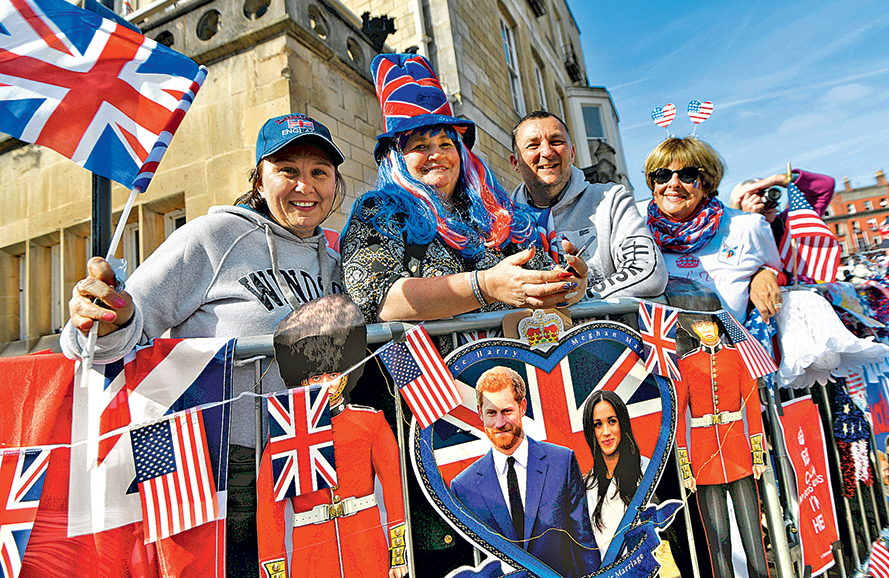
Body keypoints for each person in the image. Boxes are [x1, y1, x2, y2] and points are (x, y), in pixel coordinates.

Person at [60, 113, 347, 576]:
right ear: (259, 177)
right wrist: (103, 316)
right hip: (221, 464)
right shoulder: (212, 237)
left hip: (306, 456)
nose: (304, 185)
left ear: (335, 182)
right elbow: (122, 325)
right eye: (287, 170)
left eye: (318, 172)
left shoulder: (333, 263)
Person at [340, 55, 587, 354]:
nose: (438, 155)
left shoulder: (496, 211)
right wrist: (485, 286)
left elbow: (535, 278)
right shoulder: (377, 211)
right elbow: (382, 300)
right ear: (397, 157)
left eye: (446, 144)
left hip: (519, 377)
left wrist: (568, 285)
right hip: (439, 389)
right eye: (420, 146)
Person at [259, 295, 407, 578]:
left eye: (333, 374)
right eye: (316, 378)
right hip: (312, 553)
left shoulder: (370, 422)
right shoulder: (286, 434)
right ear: (303, 380)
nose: (327, 385)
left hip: (366, 543)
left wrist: (397, 553)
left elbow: (394, 489)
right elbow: (270, 513)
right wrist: (274, 571)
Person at [449, 366, 600, 578]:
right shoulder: (463, 487)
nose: (500, 423)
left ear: (522, 407)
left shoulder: (561, 462)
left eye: (507, 411)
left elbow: (583, 539)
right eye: (491, 413)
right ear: (480, 413)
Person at [509, 111, 667, 299]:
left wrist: (581, 298)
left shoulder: (611, 200)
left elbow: (649, 272)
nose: (547, 152)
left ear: (573, 153)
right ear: (515, 163)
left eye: (556, 142)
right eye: (533, 145)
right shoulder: (503, 220)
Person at [641, 137, 783, 322]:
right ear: (653, 183)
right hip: (657, 347)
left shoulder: (748, 226)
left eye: (687, 175)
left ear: (707, 182)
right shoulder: (636, 232)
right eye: (662, 175)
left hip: (730, 346)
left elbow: (780, 272)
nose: (674, 184)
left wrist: (765, 274)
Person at [675, 316, 769, 578]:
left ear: (718, 326)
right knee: (718, 542)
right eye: (700, 325)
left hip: (738, 450)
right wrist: (686, 467)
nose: (705, 329)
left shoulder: (739, 357)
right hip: (704, 457)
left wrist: (757, 455)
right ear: (693, 330)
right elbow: (682, 418)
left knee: (753, 536)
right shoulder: (686, 364)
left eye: (709, 324)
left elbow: (751, 405)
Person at [581, 390, 643, 558]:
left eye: (612, 421)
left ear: (622, 424)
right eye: (598, 424)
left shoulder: (646, 474)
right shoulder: (586, 485)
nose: (606, 431)